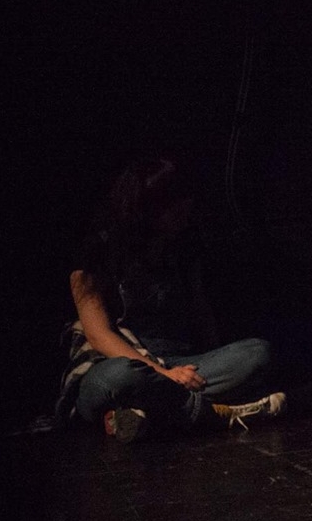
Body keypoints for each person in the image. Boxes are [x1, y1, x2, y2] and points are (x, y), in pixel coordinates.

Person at [59, 157, 285, 442]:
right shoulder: (96, 254)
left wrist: (209, 360)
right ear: (148, 207)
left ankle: (141, 415)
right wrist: (162, 373)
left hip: (181, 364)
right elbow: (98, 334)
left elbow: (201, 313)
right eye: (175, 204)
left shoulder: (182, 247)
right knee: (122, 377)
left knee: (257, 354)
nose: (185, 210)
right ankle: (210, 414)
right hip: (125, 363)